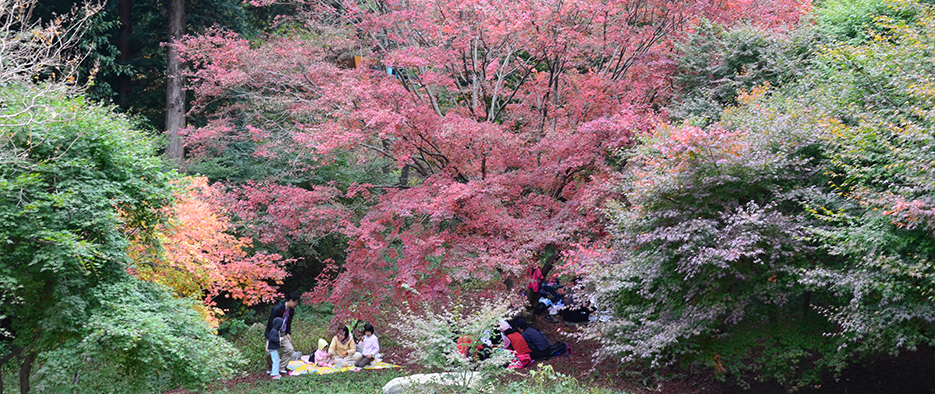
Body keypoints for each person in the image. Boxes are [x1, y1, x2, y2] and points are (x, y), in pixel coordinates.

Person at [265, 293, 299, 374]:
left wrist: (288, 333)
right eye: (295, 302)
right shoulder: (277, 308)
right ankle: (271, 367)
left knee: (290, 350)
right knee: (268, 352)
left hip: (283, 334)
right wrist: (275, 340)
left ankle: (281, 367)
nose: (296, 304)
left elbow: (288, 322)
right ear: (291, 301)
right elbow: (270, 323)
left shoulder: (291, 310)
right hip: (273, 333)